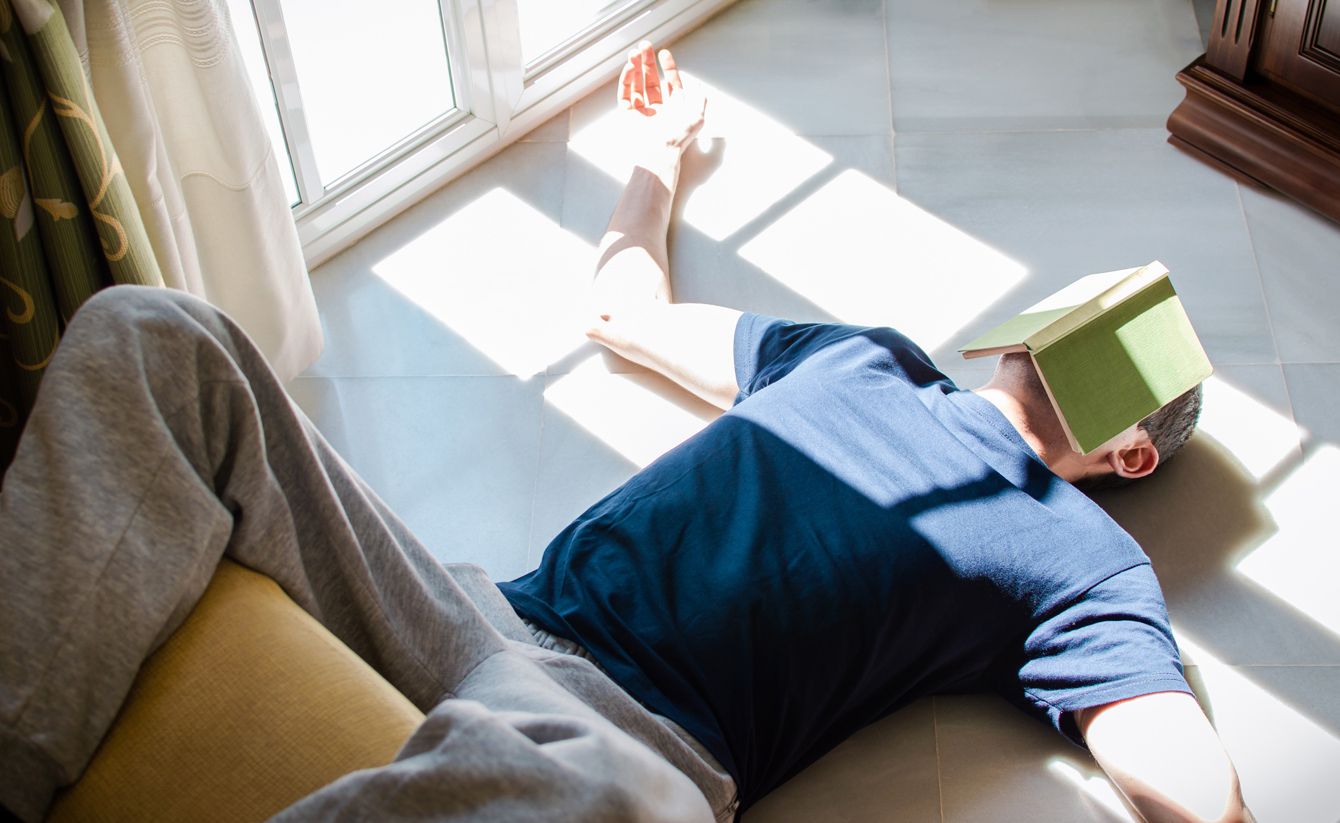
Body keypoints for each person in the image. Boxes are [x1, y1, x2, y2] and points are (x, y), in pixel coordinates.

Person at [0, 42, 1251, 823]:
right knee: (157, 330)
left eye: (1113, 341)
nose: (1069, 326)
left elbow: (1185, 783)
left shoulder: (1079, 555)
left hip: (634, 745)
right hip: (480, 615)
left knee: (618, 799)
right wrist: (654, 160)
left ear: (1129, 453)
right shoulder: (866, 357)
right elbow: (623, 314)